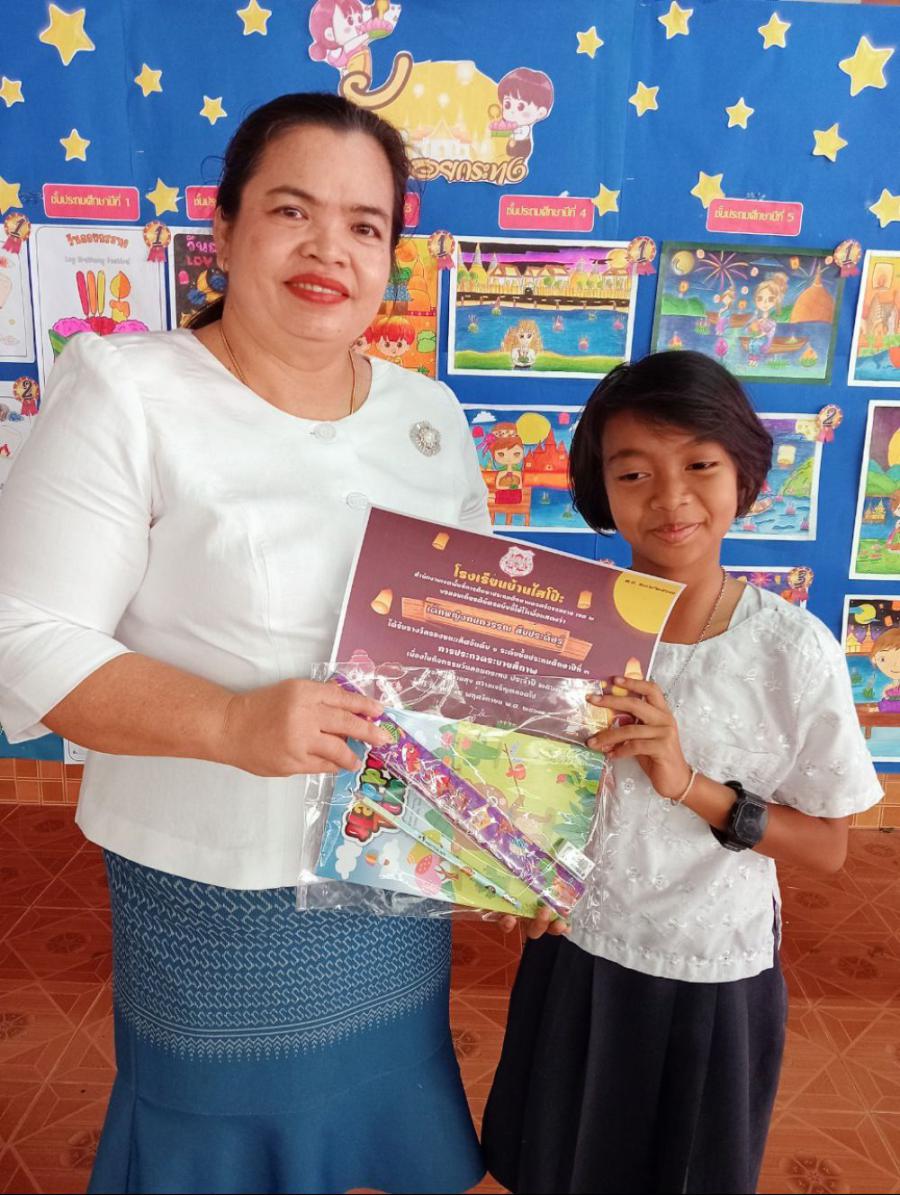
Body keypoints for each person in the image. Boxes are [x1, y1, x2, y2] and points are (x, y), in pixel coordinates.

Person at [0, 93, 490, 1195]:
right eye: (292, 210)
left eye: (365, 225)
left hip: (390, 868)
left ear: (391, 257)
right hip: (214, 880)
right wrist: (229, 721)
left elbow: (466, 636)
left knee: (377, 1109)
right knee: (215, 1142)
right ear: (223, 230)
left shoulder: (430, 417)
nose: (330, 249)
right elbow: (23, 632)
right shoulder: (130, 390)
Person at [482, 350, 882, 1195]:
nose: (670, 497)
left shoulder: (792, 650)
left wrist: (688, 781)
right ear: (600, 490)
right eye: (634, 473)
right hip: (578, 956)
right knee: (560, 1165)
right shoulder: (567, 626)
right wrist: (520, 877)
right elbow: (528, 791)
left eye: (700, 464)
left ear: (743, 474)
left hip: (711, 971)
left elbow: (829, 847)